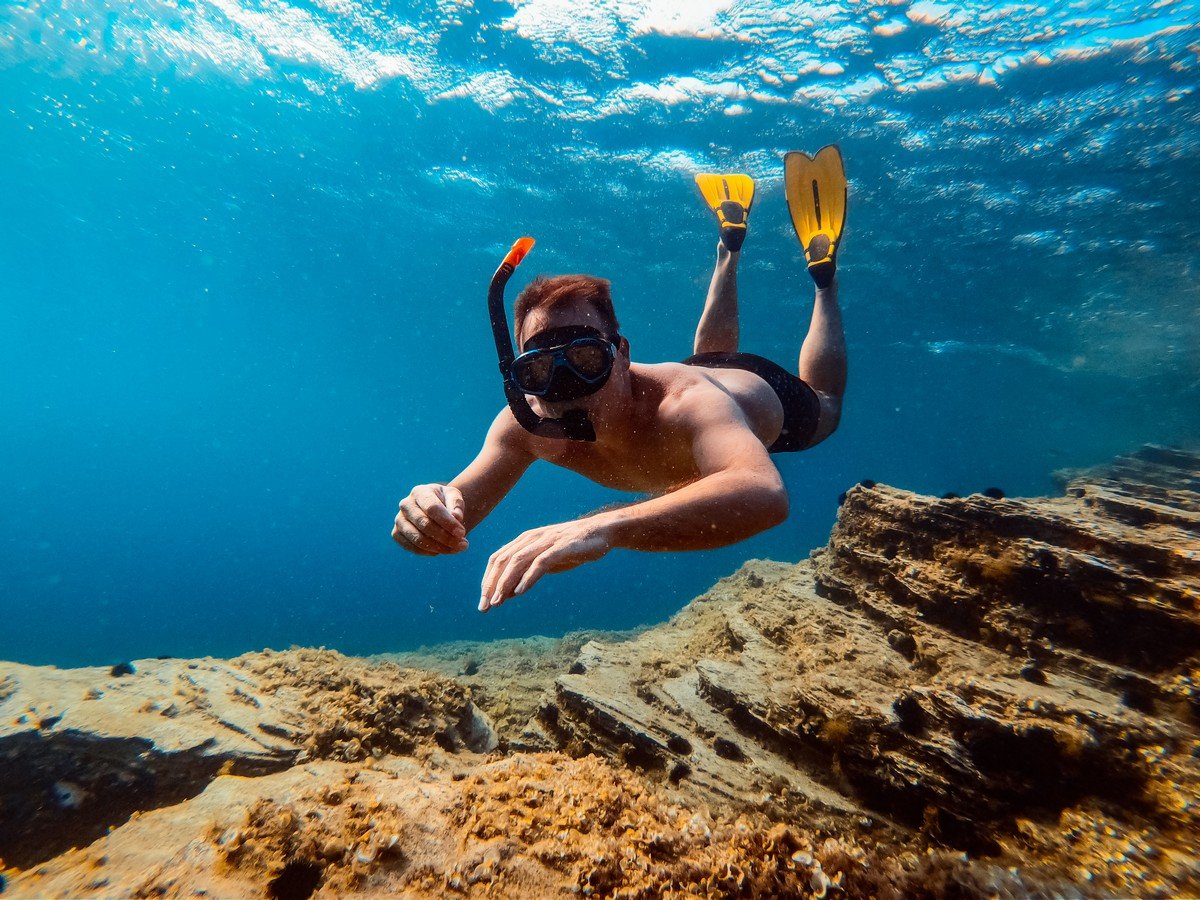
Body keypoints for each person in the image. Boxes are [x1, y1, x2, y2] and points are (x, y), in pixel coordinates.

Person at [393, 146, 849, 613]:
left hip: (759, 394)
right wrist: (428, 514)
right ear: (521, 377)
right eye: (540, 371)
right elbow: (455, 513)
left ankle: (823, 278)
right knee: (708, 356)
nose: (566, 388)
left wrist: (602, 527)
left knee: (827, 405)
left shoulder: (686, 405)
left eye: (586, 359)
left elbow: (764, 493)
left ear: (622, 354)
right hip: (705, 369)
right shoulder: (526, 424)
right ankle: (728, 247)